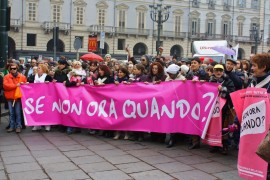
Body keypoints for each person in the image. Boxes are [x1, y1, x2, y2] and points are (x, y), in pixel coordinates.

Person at [209, 64, 235, 155]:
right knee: (214, 126)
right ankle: (215, 145)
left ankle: (224, 146)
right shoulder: (210, 81)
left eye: (220, 70)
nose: (218, 72)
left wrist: (223, 89)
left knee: (224, 127)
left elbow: (232, 93)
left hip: (224, 109)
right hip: (213, 108)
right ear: (213, 71)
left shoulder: (228, 81)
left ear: (223, 71)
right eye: (216, 70)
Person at [164, 64, 186, 148]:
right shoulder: (167, 78)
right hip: (170, 103)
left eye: (171, 74)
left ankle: (178, 138)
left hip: (179, 103)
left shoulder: (182, 79)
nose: (170, 75)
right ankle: (172, 138)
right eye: (169, 73)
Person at [3, 63, 27, 133]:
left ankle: (18, 126)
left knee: (18, 112)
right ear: (9, 69)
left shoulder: (22, 77)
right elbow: (5, 86)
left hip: (18, 97)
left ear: (17, 68)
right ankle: (12, 126)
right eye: (11, 68)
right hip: (10, 97)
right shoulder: (6, 77)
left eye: (14, 68)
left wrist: (23, 84)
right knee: (11, 113)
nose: (13, 70)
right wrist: (16, 85)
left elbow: (25, 85)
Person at [31, 64, 53, 132]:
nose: (38, 69)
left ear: (43, 69)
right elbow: (30, 83)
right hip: (36, 96)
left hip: (45, 96)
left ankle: (47, 125)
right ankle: (37, 125)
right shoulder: (34, 76)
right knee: (36, 110)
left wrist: (49, 83)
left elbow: (52, 85)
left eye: (39, 68)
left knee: (46, 110)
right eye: (38, 68)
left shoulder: (48, 77)